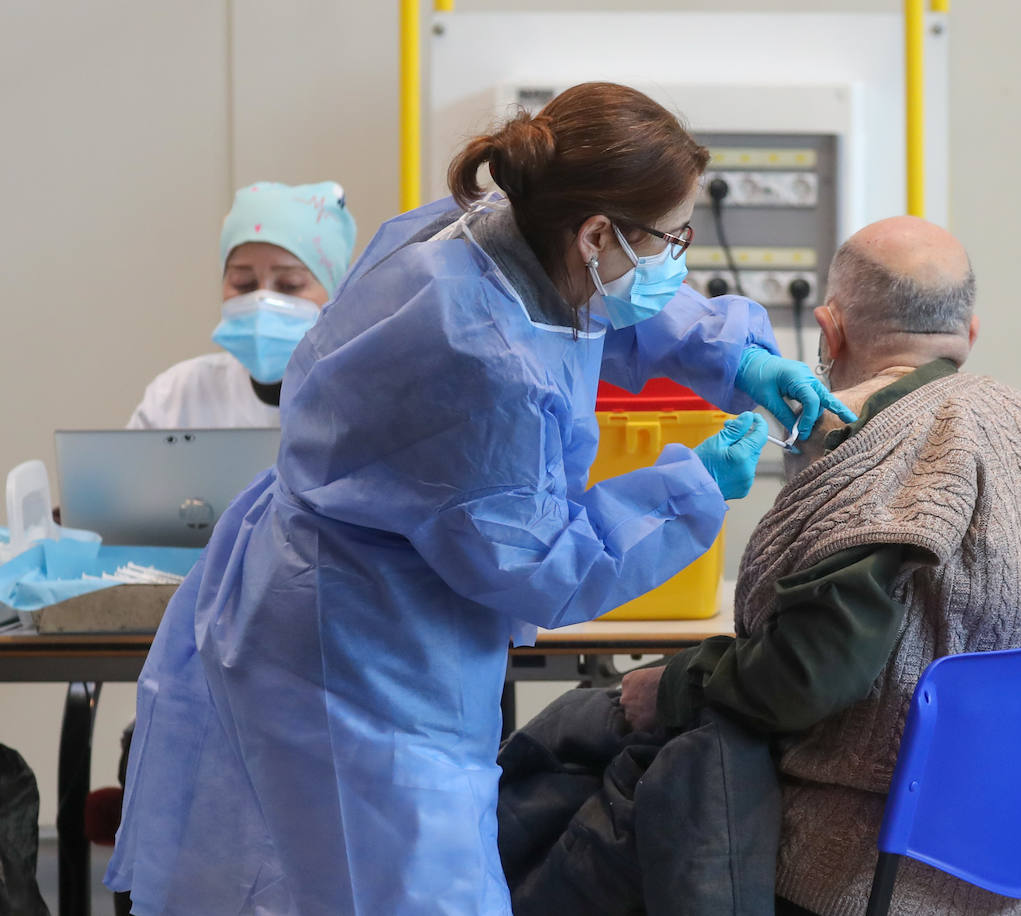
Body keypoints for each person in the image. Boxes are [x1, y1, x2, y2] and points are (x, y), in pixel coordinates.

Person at [105, 82, 852, 915]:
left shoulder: (491, 230)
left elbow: (596, 301)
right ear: (598, 231)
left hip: (328, 603)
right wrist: (692, 488)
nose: (677, 258)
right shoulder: (482, 362)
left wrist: (732, 357)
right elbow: (541, 567)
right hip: (355, 661)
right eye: (671, 238)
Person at [621, 216, 1021, 916]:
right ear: (968, 335)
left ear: (830, 333)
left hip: (870, 868)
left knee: (589, 762)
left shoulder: (880, 462)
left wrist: (670, 685)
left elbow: (803, 681)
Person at [126, 180, 356, 429]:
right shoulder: (176, 398)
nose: (261, 301)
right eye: (243, 283)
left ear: (336, 292)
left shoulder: (363, 398)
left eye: (290, 285)